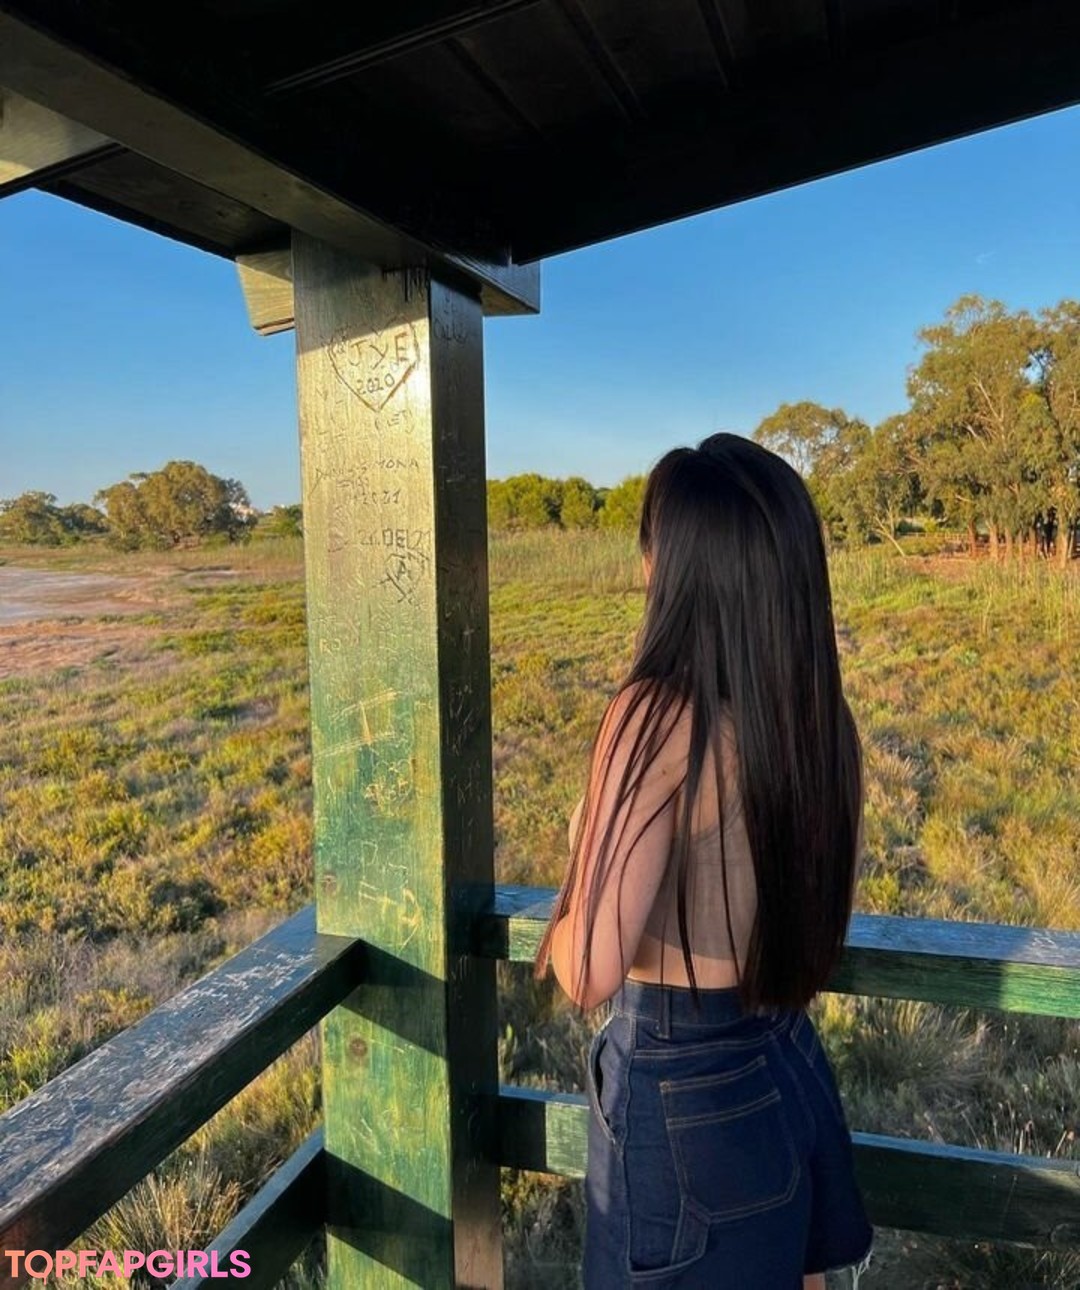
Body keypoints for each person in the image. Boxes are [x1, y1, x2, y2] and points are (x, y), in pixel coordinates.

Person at [535, 434, 875, 1289]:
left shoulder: (655, 717)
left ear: (676, 567)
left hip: (682, 1091)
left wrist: (579, 866)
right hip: (786, 1063)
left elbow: (587, 971)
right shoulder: (820, 721)